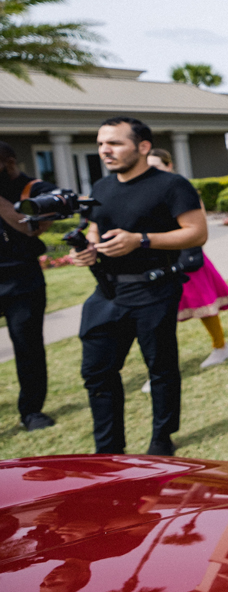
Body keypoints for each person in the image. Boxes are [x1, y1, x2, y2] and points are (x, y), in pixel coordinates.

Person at [68, 117, 208, 456]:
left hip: (153, 290)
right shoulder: (101, 188)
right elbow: (95, 230)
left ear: (143, 147)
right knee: (97, 372)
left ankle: (162, 438)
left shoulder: (172, 185)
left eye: (114, 143)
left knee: (160, 368)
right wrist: (87, 250)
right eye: (101, 144)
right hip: (107, 293)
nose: (105, 150)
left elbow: (197, 232)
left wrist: (141, 240)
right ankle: (108, 450)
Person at [146, 149, 228, 372]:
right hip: (159, 259)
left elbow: (197, 225)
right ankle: (162, 363)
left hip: (186, 256)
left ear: (169, 166)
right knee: (159, 314)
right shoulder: (148, 191)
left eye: (156, 166)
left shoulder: (181, 189)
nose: (151, 172)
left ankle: (221, 346)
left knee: (203, 304)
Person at [0, 142, 55, 432]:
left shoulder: (35, 189)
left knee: (27, 345)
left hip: (21, 279)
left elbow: (32, 228)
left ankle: (32, 411)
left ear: (8, 162)